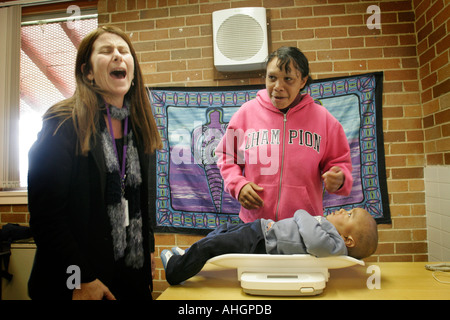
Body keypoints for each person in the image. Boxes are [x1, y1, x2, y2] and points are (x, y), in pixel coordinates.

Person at [27, 26, 162, 300]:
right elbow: (46, 216)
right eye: (106, 51)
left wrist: (147, 249)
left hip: (129, 275)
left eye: (124, 51)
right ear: (87, 72)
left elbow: (142, 200)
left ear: (133, 72)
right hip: (78, 280)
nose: (117, 56)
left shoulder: (139, 127)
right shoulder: (62, 122)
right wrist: (80, 278)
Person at [215, 46, 353, 223]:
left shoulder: (325, 120)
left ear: (303, 81)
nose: (278, 87)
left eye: (288, 79)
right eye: (272, 78)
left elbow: (340, 164)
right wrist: (238, 185)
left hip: (305, 228)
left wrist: (340, 178)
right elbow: (226, 156)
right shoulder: (245, 114)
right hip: (255, 225)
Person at [161, 207, 377, 285]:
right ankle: (187, 255)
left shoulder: (336, 244)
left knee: (212, 246)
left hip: (261, 241)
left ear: (348, 240)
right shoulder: (329, 230)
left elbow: (315, 241)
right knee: (222, 230)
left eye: (349, 214)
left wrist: (303, 213)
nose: (342, 211)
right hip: (261, 230)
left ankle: (174, 270)